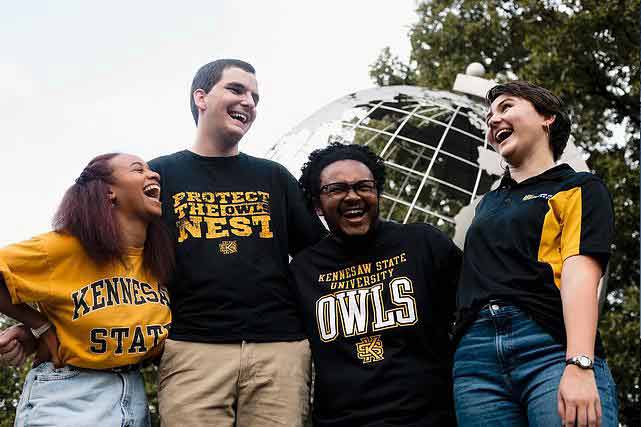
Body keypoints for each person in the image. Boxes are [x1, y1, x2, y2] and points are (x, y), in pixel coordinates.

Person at [149, 59, 326, 427]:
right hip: (192, 349)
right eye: (236, 89)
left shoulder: (274, 177)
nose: (249, 102)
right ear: (201, 97)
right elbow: (121, 257)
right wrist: (43, 322)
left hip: (279, 349)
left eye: (255, 97)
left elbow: (320, 257)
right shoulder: (160, 174)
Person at [453, 81, 618, 426]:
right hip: (475, 365)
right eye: (489, 115)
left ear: (547, 118)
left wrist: (579, 363)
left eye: (506, 107)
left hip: (549, 349)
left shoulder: (579, 187)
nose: (493, 119)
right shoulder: (487, 204)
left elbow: (579, 274)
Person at [289, 142, 462, 426]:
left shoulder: (424, 244)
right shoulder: (303, 271)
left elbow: (475, 315)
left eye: (364, 186)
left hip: (430, 418)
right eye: (337, 189)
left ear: (377, 192)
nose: (353, 196)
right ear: (318, 205)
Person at [0, 153, 174, 426]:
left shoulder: (157, 259)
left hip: (134, 395)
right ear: (109, 193)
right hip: (69, 396)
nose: (154, 175)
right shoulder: (64, 247)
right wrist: (38, 325)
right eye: (138, 169)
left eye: (151, 170)